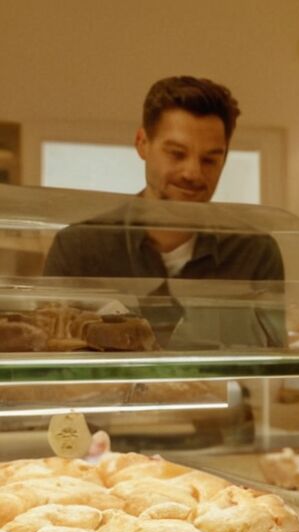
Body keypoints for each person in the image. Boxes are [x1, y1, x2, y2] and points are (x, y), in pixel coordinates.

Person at [42, 76, 284, 347]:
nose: (193, 173)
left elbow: (272, 369)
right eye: (177, 154)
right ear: (142, 143)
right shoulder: (78, 247)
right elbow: (49, 355)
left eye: (209, 160)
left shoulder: (256, 252)